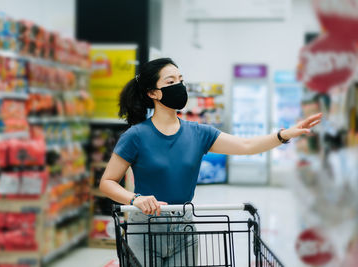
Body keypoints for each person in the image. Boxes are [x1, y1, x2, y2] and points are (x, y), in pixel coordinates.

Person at [99, 58, 322, 265]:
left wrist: (283, 135)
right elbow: (107, 182)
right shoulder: (135, 136)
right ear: (153, 93)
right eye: (171, 82)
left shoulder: (199, 133)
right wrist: (135, 199)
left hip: (184, 226)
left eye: (181, 80)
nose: (180, 86)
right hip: (144, 226)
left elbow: (246, 146)